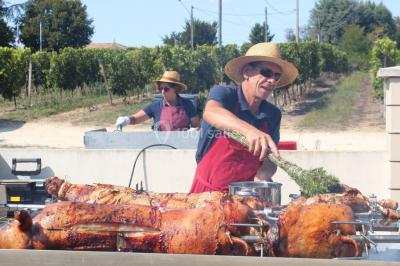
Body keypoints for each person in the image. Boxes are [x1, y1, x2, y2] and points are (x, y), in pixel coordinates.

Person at [190, 42, 298, 193]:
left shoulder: (273, 114)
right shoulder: (224, 94)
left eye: (276, 76)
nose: (272, 80)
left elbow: (271, 159)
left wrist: (263, 174)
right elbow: (211, 112)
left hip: (245, 198)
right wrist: (250, 131)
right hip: (206, 196)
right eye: (266, 72)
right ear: (247, 72)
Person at [115, 70, 200, 131]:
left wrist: (194, 131)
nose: (162, 91)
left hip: (181, 148)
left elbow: (197, 126)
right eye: (160, 88)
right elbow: (136, 119)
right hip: (161, 147)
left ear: (175, 89)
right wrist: (126, 120)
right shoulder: (155, 106)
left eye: (166, 89)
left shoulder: (187, 105)